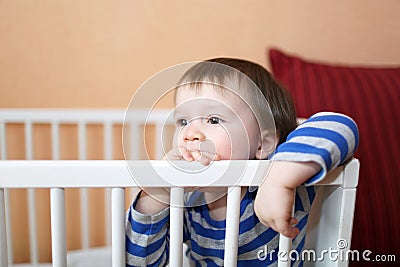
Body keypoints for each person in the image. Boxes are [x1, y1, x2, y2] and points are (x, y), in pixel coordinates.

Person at [125, 58, 359, 266]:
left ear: (262, 144)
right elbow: (140, 262)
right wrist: (159, 191)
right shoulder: (190, 205)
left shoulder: (282, 191)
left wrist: (279, 181)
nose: (190, 133)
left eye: (213, 119)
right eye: (183, 121)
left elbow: (339, 125)